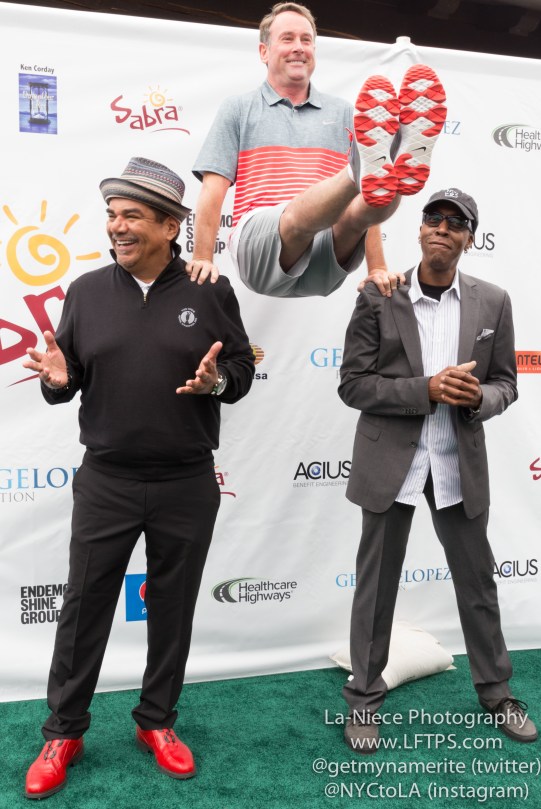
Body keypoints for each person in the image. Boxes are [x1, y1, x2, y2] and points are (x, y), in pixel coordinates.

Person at [22, 157, 255, 799]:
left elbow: (240, 369)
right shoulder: (87, 291)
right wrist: (56, 380)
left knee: (172, 606)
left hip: (186, 479)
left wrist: (220, 380)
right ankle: (64, 729)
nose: (116, 227)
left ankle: (157, 721)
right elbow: (66, 379)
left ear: (172, 225)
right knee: (83, 606)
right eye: (112, 215)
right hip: (107, 480)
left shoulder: (211, 290)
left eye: (131, 216)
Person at [338, 187, 537, 753]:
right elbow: (352, 384)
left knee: (477, 581)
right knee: (376, 586)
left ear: (469, 238)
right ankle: (364, 698)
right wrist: (424, 390)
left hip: (457, 460)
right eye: (433, 218)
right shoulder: (381, 295)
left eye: (456, 222)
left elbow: (507, 384)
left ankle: (497, 692)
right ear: (419, 229)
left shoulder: (492, 301)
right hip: (391, 461)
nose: (442, 228)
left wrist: (477, 399)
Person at [188, 2, 446, 298]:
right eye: (287, 39)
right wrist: (203, 257)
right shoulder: (239, 108)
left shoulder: (344, 113)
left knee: (362, 207)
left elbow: (374, 197)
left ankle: (387, 165)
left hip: (326, 261)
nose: (299, 47)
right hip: (258, 250)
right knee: (296, 217)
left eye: (306, 40)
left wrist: (377, 268)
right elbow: (213, 189)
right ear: (264, 52)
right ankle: (361, 168)